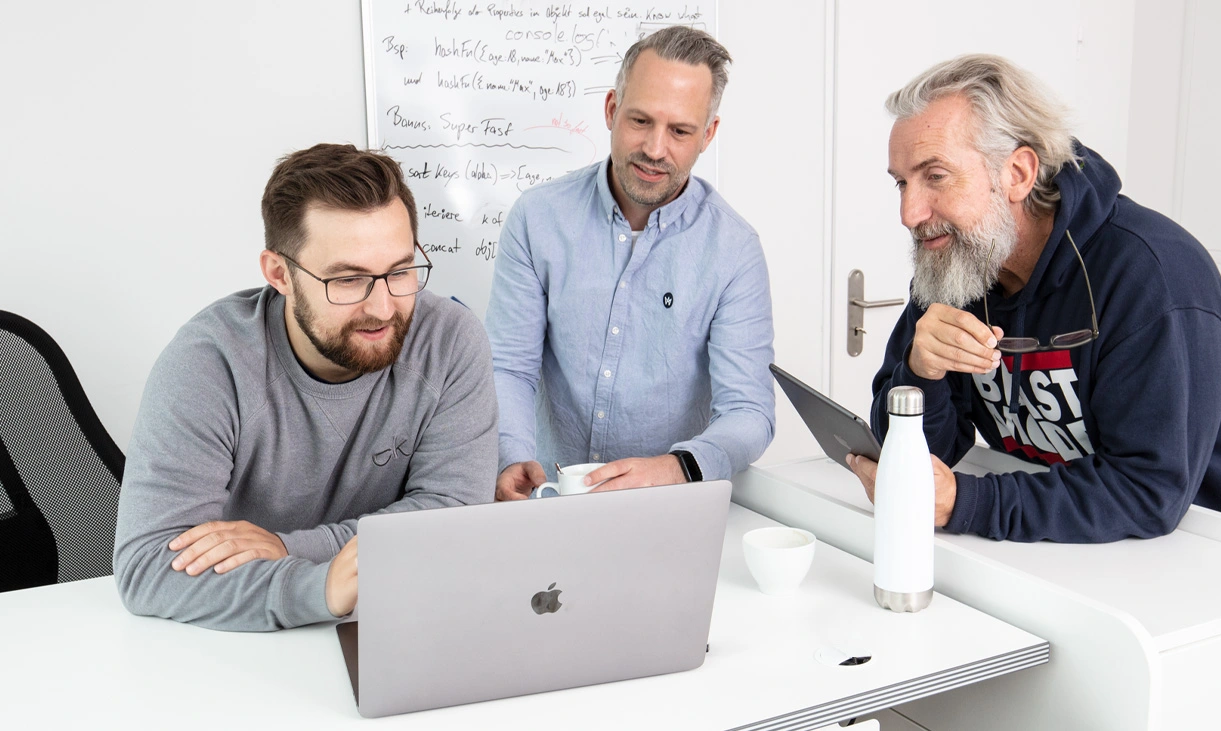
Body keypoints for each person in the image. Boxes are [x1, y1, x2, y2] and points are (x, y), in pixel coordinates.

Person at [852, 54, 1221, 542]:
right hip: (1078, 555)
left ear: (1018, 174)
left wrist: (969, 502)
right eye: (901, 182)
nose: (909, 212)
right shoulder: (956, 266)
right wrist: (922, 373)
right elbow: (928, 457)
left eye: (935, 176)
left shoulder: (1155, 276)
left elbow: (1149, 491)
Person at [114, 144, 498, 630]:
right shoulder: (208, 363)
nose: (382, 307)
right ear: (280, 274)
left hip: (401, 625)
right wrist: (316, 587)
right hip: (235, 643)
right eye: (348, 280)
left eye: (400, 271)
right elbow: (147, 567)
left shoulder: (450, 340)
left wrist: (289, 548)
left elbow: (454, 519)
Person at [486, 26, 775, 499]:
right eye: (640, 121)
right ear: (611, 110)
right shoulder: (537, 218)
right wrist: (513, 454)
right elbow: (508, 367)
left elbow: (748, 410)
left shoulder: (735, 249)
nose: (655, 149)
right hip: (547, 499)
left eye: (680, 130)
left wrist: (676, 467)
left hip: (668, 507)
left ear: (708, 135)